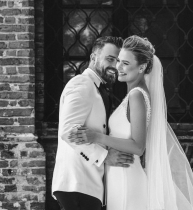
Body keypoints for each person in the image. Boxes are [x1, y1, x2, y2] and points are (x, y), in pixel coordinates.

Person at [69, 35, 193, 210]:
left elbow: (138, 146)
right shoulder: (134, 94)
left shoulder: (137, 96)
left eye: (125, 63)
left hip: (127, 176)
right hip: (120, 174)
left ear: (141, 67)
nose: (118, 67)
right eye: (118, 61)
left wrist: (96, 137)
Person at [52, 36, 135, 210]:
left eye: (119, 61)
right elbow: (68, 131)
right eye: (110, 59)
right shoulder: (82, 83)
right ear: (93, 57)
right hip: (77, 183)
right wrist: (105, 156)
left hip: (88, 184)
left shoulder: (98, 88)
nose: (115, 66)